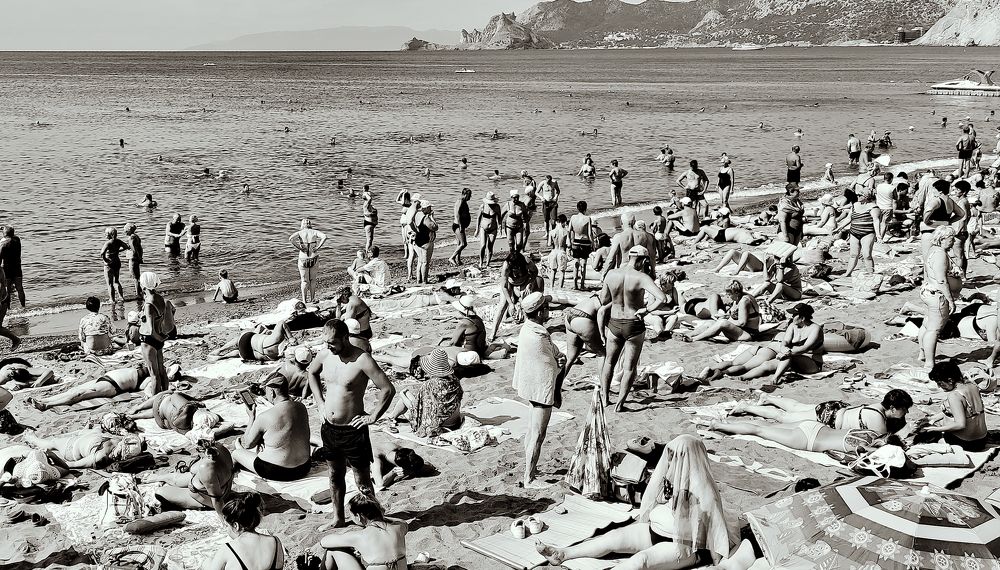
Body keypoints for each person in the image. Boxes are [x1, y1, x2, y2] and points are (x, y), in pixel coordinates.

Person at [536, 435, 735, 569]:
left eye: (674, 456)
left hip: (682, 546)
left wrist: (715, 562)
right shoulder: (671, 476)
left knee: (641, 560)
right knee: (612, 538)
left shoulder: (704, 491)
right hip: (654, 532)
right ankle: (562, 554)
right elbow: (652, 500)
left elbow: (715, 531)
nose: (669, 460)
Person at [308, 319, 395, 528]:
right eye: (325, 342)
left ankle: (374, 519)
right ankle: (338, 518)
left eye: (332, 342)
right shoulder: (325, 355)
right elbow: (311, 373)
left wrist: (373, 416)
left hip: (353, 430)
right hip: (329, 429)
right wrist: (320, 403)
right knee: (334, 475)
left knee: (362, 480)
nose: (328, 346)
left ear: (345, 338)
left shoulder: (362, 360)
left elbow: (387, 389)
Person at [599, 246, 667, 412]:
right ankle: (619, 404)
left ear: (629, 257)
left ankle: (605, 398)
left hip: (614, 322)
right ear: (643, 261)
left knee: (609, 362)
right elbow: (662, 298)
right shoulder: (641, 277)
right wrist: (646, 310)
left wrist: (616, 300)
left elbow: (603, 300)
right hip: (633, 323)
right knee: (629, 367)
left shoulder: (611, 274)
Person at [511, 292, 563, 488]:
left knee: (531, 430)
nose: (549, 311)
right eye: (546, 308)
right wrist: (560, 362)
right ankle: (529, 478)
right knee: (538, 435)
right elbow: (550, 362)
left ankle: (530, 469)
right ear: (541, 312)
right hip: (541, 389)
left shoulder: (527, 329)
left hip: (531, 387)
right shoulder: (540, 335)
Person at [700, 303, 822, 384]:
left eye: (794, 315)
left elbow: (805, 348)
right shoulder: (793, 326)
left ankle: (774, 379)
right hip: (791, 356)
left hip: (810, 362)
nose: (792, 316)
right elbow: (785, 341)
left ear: (802, 318)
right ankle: (734, 375)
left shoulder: (815, 329)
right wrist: (784, 349)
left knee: (782, 358)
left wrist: (787, 352)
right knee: (766, 364)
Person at [232, 373, 312, 481]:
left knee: (236, 453)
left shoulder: (265, 416)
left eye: (266, 391)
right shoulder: (301, 408)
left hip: (276, 471)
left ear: (272, 392)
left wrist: (251, 417)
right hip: (304, 467)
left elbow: (247, 444)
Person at [730, 389, 912, 435]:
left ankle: (768, 398)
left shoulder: (878, 406)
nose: (906, 413)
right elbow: (884, 443)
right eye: (904, 409)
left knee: (797, 407)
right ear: (893, 408)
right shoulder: (877, 419)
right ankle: (746, 407)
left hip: (835, 408)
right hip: (829, 417)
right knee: (783, 417)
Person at [381, 348, 463, 437]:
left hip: (441, 425)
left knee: (404, 395)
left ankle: (392, 417)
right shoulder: (454, 380)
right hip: (455, 421)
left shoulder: (430, 385)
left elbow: (420, 410)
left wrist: (402, 395)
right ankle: (392, 416)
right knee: (409, 395)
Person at [314, 493, 407, 570]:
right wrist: (380, 516)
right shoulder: (400, 526)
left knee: (332, 551)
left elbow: (324, 542)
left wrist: (348, 543)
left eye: (351, 515)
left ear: (358, 516)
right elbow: (401, 521)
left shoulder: (360, 536)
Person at [144, 439, 233, 514]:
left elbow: (216, 499)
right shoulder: (221, 449)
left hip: (205, 499)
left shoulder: (206, 468)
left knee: (160, 492)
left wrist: (224, 519)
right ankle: (159, 477)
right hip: (223, 489)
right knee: (179, 478)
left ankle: (162, 479)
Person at [918, 359, 987, 451]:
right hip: (982, 440)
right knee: (935, 421)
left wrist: (935, 429)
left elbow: (960, 424)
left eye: (940, 383)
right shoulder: (972, 386)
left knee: (928, 433)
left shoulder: (954, 395)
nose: (939, 386)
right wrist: (932, 418)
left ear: (950, 380)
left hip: (966, 443)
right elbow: (964, 411)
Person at [203, 492, 284, 570]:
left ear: (236, 526)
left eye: (227, 526)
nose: (227, 529)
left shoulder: (227, 549)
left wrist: (206, 563)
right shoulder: (275, 541)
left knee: (207, 562)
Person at [27, 363, 152, 411]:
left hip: (112, 385)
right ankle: (43, 400)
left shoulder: (150, 379)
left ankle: (47, 405)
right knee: (73, 390)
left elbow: (148, 390)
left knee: (79, 394)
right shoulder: (152, 369)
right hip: (105, 378)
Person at [919, 226, 958, 370]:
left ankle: (922, 353)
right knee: (934, 330)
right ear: (942, 239)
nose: (954, 241)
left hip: (928, 291)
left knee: (927, 324)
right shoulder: (940, 254)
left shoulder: (933, 250)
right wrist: (950, 300)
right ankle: (929, 363)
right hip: (937, 294)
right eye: (951, 239)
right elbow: (941, 280)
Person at [676, 280, 760, 343]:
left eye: (729, 294)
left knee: (722, 323)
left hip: (749, 333)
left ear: (736, 293)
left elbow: (742, 323)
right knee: (710, 323)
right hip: (741, 330)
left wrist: (725, 320)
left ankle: (695, 339)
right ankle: (689, 335)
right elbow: (735, 314)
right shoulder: (738, 298)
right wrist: (725, 316)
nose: (728, 297)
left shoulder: (744, 301)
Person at [23, 430, 145, 469]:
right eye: (118, 453)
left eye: (119, 457)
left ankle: (33, 440)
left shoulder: (100, 457)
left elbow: (71, 465)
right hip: (87, 438)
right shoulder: (119, 440)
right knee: (95, 430)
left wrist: (53, 457)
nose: (115, 457)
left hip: (71, 449)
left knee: (53, 442)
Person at [490, 251, 542, 342]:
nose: (514, 271)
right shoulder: (506, 266)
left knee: (527, 303)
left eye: (516, 268)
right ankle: (493, 332)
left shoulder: (527, 262)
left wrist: (529, 283)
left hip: (524, 281)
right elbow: (504, 287)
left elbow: (535, 272)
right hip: (510, 283)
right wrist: (510, 304)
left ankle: (529, 328)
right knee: (502, 305)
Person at [836, 190, 882, 277]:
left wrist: (878, 235)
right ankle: (848, 273)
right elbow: (849, 218)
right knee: (853, 255)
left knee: (867, 255)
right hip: (854, 232)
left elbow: (876, 221)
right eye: (857, 195)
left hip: (867, 233)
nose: (857, 196)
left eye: (860, 195)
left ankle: (871, 274)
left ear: (866, 197)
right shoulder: (855, 205)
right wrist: (840, 227)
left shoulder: (874, 207)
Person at [139, 272, 170, 394]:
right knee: (161, 371)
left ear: (143, 285)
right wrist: (161, 338)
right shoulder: (160, 298)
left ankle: (155, 400)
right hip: (158, 336)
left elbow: (150, 329)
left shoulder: (148, 304)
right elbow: (161, 319)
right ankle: (165, 394)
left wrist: (158, 338)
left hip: (149, 339)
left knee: (154, 375)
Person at [210, 318, 295, 363]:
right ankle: (224, 357)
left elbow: (281, 323)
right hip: (248, 355)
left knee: (241, 338)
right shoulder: (276, 357)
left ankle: (220, 350)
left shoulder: (276, 339)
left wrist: (291, 337)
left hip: (247, 341)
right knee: (239, 353)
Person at [290, 219, 328, 303]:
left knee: (304, 281)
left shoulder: (300, 233)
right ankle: (312, 299)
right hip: (314, 257)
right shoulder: (314, 232)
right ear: (310, 224)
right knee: (313, 280)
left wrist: (299, 248)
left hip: (303, 258)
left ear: (302, 224)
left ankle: (304, 301)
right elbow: (324, 236)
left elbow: (291, 239)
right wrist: (318, 247)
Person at [569, 201, 595, 290]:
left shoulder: (573, 217)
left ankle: (575, 284)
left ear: (577, 208)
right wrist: (593, 243)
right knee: (583, 263)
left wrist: (570, 241)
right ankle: (582, 285)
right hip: (585, 242)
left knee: (576, 262)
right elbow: (590, 233)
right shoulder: (587, 218)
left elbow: (570, 230)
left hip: (576, 241)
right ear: (585, 208)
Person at [100, 227, 129, 304]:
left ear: (109, 235)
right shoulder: (118, 241)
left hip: (109, 264)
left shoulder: (108, 243)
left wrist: (105, 259)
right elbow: (126, 247)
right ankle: (121, 297)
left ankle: (112, 300)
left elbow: (102, 253)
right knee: (116, 281)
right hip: (117, 261)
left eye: (106, 234)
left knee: (110, 283)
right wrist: (117, 251)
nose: (105, 235)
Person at [950, 180, 972, 278]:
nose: (955, 191)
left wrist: (957, 231)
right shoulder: (965, 201)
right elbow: (968, 216)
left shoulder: (962, 202)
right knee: (962, 255)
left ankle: (959, 277)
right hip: (964, 231)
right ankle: (964, 276)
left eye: (958, 189)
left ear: (963, 192)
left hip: (959, 232)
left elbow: (963, 217)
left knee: (958, 256)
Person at [412, 201, 438, 283]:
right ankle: (424, 280)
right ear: (426, 208)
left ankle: (418, 279)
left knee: (420, 261)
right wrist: (432, 218)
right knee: (425, 262)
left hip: (418, 240)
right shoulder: (426, 218)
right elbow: (434, 227)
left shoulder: (417, 214)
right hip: (425, 241)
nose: (431, 209)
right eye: (429, 207)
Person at [475, 192, 502, 268]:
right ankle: (481, 262)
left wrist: (500, 227)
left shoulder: (497, 207)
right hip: (483, 228)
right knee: (482, 245)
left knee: (490, 246)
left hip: (493, 229)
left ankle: (488, 263)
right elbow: (478, 218)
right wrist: (477, 229)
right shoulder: (483, 206)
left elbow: (499, 218)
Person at [0, 227, 25, 308]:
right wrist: (5, 229)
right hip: (17, 267)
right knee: (20, 289)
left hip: (7, 269)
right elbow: (11, 234)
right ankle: (23, 306)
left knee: (8, 290)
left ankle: (9, 309)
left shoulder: (3, 244)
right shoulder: (17, 240)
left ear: (4, 234)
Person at [449, 188, 472, 266]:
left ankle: (458, 259)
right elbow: (457, 214)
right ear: (465, 194)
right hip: (458, 225)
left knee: (459, 243)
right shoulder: (460, 201)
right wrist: (460, 225)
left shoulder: (464, 202)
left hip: (460, 225)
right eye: (469, 195)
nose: (470, 197)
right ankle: (452, 258)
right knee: (463, 244)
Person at [874, 172, 897, 239]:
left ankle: (876, 236)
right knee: (884, 223)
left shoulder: (878, 186)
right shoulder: (892, 187)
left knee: (877, 222)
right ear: (891, 179)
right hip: (888, 207)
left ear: (884, 178)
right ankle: (880, 238)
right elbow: (896, 198)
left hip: (878, 207)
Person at [123, 222, 143, 301]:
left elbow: (133, 249)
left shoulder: (131, 238)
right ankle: (140, 292)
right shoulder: (135, 236)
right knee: (137, 276)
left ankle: (138, 294)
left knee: (135, 277)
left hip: (132, 258)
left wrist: (138, 257)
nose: (124, 232)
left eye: (125, 230)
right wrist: (140, 257)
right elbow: (138, 248)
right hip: (136, 258)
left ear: (129, 230)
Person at [539, 175, 561, 242]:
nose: (548, 182)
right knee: (546, 219)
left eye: (549, 181)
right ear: (545, 180)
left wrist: (556, 196)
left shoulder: (554, 182)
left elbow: (558, 191)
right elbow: (536, 192)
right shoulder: (542, 183)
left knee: (554, 220)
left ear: (551, 180)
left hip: (553, 203)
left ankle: (553, 232)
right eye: (547, 181)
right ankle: (547, 233)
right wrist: (541, 197)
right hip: (545, 203)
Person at [361, 186, 378, 253]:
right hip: (368, 224)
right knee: (369, 240)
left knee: (371, 240)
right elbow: (370, 198)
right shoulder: (366, 205)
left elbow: (374, 195)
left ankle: (369, 252)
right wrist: (366, 193)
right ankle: (367, 253)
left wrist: (369, 193)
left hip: (372, 224)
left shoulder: (371, 205)